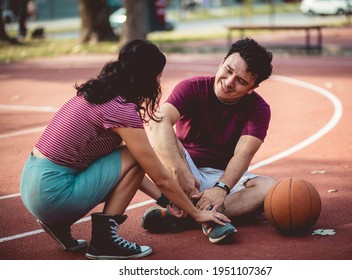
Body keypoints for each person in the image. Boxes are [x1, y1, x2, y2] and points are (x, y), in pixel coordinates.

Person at [19, 39, 229, 260]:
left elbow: (126, 171)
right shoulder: (121, 110)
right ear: (147, 76)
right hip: (52, 195)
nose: (159, 80)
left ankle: (58, 224)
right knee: (139, 155)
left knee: (130, 156)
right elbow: (159, 175)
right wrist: (196, 213)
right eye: (158, 74)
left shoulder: (94, 93)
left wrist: (166, 202)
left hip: (32, 184)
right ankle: (104, 241)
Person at [141, 38, 277, 243]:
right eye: (229, 70)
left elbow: (244, 153)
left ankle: (191, 216)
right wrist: (181, 171)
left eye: (241, 81)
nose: (229, 82)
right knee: (163, 135)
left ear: (252, 87)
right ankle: (210, 217)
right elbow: (159, 123)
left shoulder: (259, 109)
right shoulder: (191, 87)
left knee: (270, 188)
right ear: (221, 62)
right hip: (186, 170)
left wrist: (222, 189)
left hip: (223, 176)